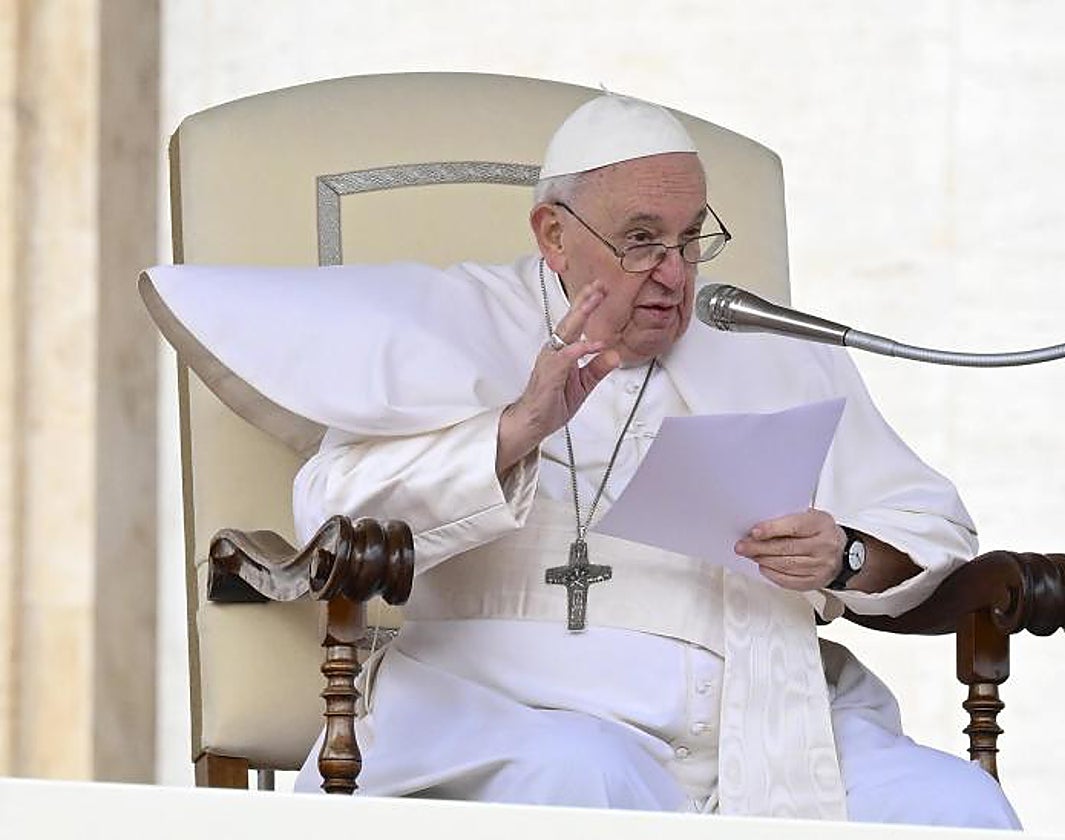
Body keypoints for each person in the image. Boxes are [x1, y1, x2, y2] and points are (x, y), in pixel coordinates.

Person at [148, 93, 1018, 827]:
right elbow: (332, 510)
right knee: (585, 773)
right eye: (641, 239)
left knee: (956, 809)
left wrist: (848, 555)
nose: (674, 274)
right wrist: (516, 430)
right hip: (516, 714)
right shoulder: (450, 328)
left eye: (689, 239)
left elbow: (928, 523)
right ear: (552, 235)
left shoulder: (775, 348)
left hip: (770, 723)